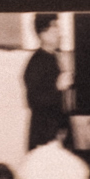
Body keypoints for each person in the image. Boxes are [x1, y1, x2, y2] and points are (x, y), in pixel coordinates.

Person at [21, 12, 72, 150]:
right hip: (44, 136)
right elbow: (34, 101)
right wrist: (58, 87)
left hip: (57, 133)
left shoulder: (55, 57)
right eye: (55, 28)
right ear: (43, 33)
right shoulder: (36, 63)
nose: (60, 33)